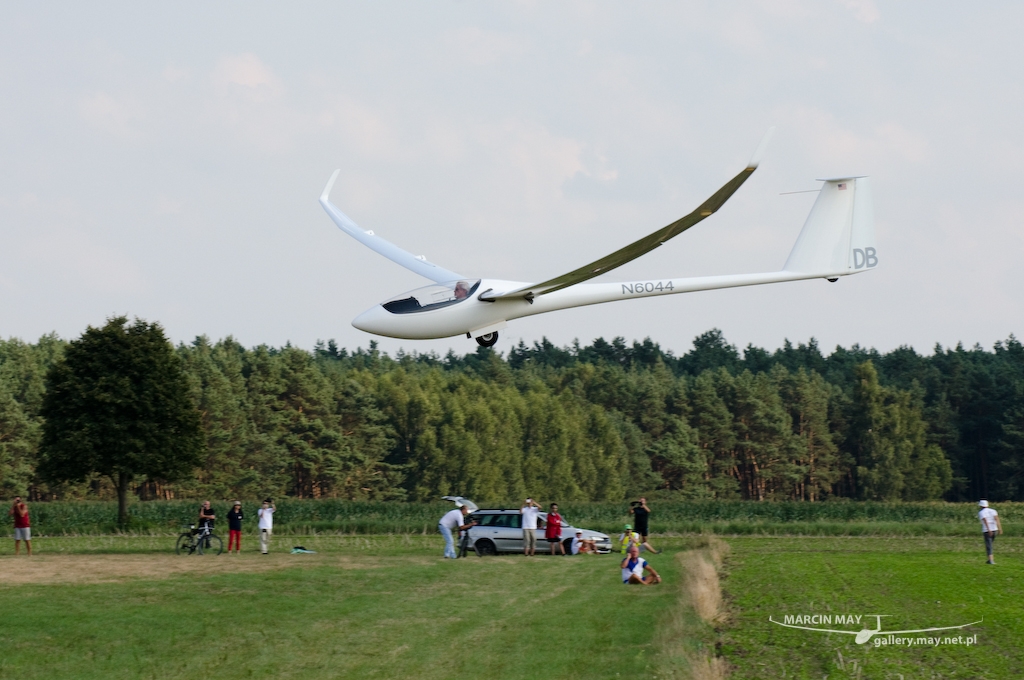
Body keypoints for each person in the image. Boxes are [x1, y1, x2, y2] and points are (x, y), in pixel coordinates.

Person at [978, 500, 1002, 564]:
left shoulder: (981, 512)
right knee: (990, 544)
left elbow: (985, 520)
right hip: (995, 529)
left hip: (987, 530)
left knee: (988, 545)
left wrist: (989, 529)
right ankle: (989, 560)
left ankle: (991, 560)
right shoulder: (993, 511)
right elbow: (997, 519)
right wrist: (1000, 528)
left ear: (981, 506)